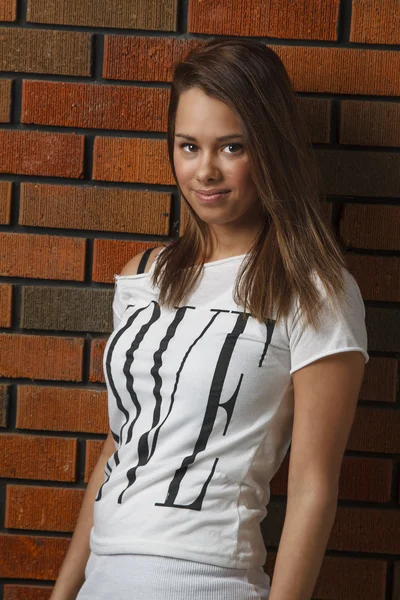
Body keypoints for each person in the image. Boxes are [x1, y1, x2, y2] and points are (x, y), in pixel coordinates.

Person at [50, 37, 369, 600]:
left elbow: (314, 484)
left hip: (208, 579)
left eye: (232, 146)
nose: (206, 171)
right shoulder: (143, 275)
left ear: (270, 147)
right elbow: (121, 446)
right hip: (103, 575)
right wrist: (64, 590)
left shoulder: (316, 289)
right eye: (188, 146)